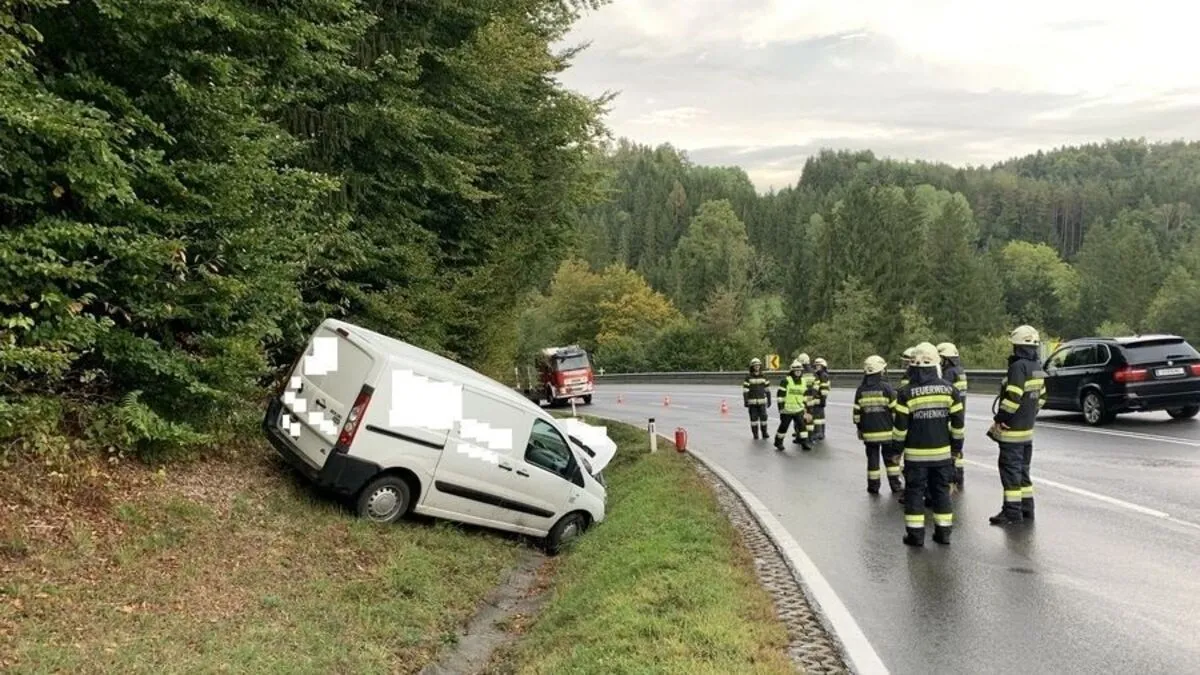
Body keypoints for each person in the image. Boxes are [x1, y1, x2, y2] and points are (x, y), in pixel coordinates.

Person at [893, 342, 964, 547]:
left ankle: (915, 537)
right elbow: (958, 425)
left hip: (916, 457)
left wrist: (896, 451)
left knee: (914, 493)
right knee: (941, 492)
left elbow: (900, 429)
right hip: (942, 455)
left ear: (913, 366)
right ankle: (943, 534)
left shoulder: (906, 393)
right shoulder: (950, 391)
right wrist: (956, 449)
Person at [988, 325, 1047, 525]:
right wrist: (1029, 414)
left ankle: (1012, 512)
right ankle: (1027, 508)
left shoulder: (1018, 367)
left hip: (1012, 433)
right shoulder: (1038, 366)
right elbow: (1042, 397)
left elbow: (1013, 397)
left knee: (1010, 472)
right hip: (1027, 432)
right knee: (1023, 471)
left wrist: (1000, 419)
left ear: (1017, 346)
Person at [853, 355, 903, 495]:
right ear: (880, 370)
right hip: (887, 433)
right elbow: (895, 411)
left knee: (872, 461)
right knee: (891, 461)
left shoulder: (861, 390)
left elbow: (857, 412)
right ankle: (895, 486)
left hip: (869, 434)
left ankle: (873, 486)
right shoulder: (886, 388)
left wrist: (859, 428)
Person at [938, 342, 968, 490]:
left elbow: (944, 391)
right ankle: (959, 476)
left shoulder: (949, 373)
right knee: (958, 447)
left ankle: (950, 478)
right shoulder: (960, 370)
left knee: (950, 448)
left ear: (947, 359)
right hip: (960, 413)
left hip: (950, 415)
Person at [775, 359, 814, 451]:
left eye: (800, 371)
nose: (798, 372)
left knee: (802, 427)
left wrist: (807, 409)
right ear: (792, 371)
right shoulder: (785, 381)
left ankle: (804, 443)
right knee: (783, 427)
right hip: (787, 410)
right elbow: (780, 396)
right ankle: (778, 442)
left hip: (799, 409)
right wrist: (781, 408)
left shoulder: (804, 382)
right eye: (796, 371)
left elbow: (804, 396)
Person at [742, 358, 772, 440]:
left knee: (764, 418)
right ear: (752, 367)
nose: (757, 367)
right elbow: (745, 391)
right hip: (752, 403)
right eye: (755, 366)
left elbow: (767, 390)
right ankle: (755, 434)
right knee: (754, 419)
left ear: (760, 366)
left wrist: (769, 400)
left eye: (758, 365)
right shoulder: (748, 378)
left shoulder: (764, 377)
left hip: (762, 402)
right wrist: (746, 401)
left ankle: (764, 433)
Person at [811, 357, 831, 441]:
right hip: (820, 398)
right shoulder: (821, 374)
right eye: (816, 366)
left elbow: (824, 389)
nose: (817, 367)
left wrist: (822, 399)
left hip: (819, 398)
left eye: (819, 365)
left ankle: (818, 433)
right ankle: (821, 433)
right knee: (821, 417)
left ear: (823, 366)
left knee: (817, 417)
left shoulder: (823, 375)